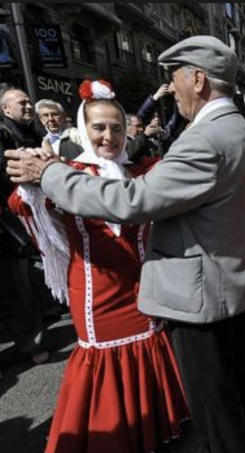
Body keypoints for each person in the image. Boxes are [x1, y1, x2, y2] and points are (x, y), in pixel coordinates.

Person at [5, 36, 245, 453]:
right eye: (99, 127)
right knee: (241, 399)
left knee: (216, 411)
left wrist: (49, 174)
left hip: (203, 301)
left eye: (175, 79)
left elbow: (132, 202)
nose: (173, 90)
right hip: (234, 291)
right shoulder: (241, 131)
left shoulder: (204, 139)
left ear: (198, 80)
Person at [9, 79, 189, 453]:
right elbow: (21, 206)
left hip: (144, 287)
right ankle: (115, 434)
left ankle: (150, 428)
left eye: (117, 128)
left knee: (149, 347)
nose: (109, 136)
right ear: (84, 129)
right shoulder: (64, 174)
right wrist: (31, 183)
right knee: (104, 359)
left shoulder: (140, 172)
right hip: (96, 294)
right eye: (99, 128)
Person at [0, 87, 50, 367]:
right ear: (6, 109)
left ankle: (33, 341)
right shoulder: (4, 135)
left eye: (29, 101)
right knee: (15, 286)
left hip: (26, 217)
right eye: (22, 103)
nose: (29, 106)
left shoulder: (35, 133)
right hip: (10, 219)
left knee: (20, 286)